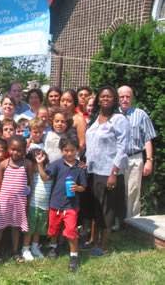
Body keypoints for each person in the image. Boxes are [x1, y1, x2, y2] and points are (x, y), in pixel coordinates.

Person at [85, 86, 130, 256]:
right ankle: (93, 241)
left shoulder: (119, 120)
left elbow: (122, 147)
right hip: (93, 171)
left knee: (107, 210)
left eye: (109, 96)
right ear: (98, 99)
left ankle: (103, 246)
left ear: (114, 100)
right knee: (96, 208)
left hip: (109, 172)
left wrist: (113, 172)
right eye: (102, 96)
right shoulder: (96, 118)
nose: (105, 99)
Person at [36, 136, 87, 272]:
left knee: (71, 231)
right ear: (61, 150)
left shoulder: (80, 167)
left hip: (71, 206)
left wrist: (78, 188)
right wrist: (40, 165)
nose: (69, 153)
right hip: (56, 204)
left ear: (77, 150)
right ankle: (53, 247)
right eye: (65, 150)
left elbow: (84, 187)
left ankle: (74, 257)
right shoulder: (57, 164)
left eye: (72, 150)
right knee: (53, 229)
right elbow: (45, 177)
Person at [0, 136, 33, 262]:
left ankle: (15, 251)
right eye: (13, 149)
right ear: (8, 149)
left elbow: (30, 183)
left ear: (24, 151)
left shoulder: (27, 164)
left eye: (19, 150)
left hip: (19, 202)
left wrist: (28, 201)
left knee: (16, 227)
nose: (15, 152)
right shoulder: (3, 164)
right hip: (4, 202)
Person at [118, 85, 156, 218]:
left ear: (132, 98)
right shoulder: (112, 114)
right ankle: (117, 222)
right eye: (122, 97)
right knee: (116, 190)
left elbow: (148, 139)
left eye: (127, 96)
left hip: (135, 158)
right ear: (118, 98)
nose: (124, 99)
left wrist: (149, 161)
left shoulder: (141, 114)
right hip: (116, 159)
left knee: (133, 191)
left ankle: (133, 222)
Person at [22, 148, 52, 260]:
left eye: (41, 162)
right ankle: (25, 249)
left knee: (39, 230)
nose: (37, 165)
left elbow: (44, 179)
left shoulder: (48, 173)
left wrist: (40, 165)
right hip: (33, 206)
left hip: (45, 207)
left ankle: (35, 247)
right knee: (30, 229)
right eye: (35, 163)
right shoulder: (31, 175)